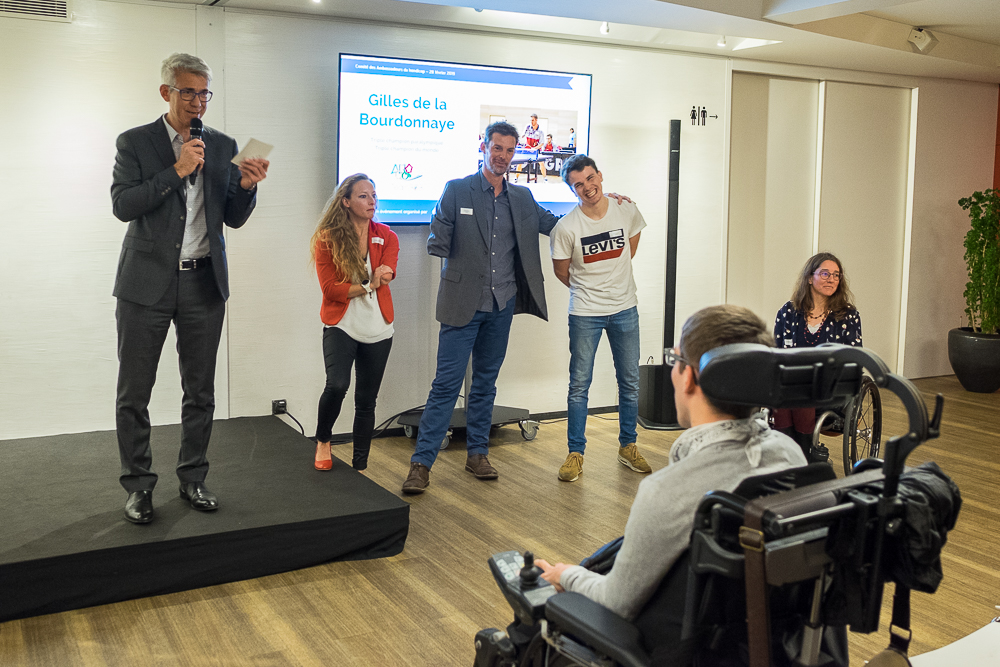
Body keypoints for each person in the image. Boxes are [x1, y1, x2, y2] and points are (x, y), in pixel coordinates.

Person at [536, 304, 807, 622]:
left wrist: (565, 575)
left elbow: (615, 602)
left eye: (675, 359)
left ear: (689, 376)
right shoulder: (791, 456)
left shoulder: (665, 493)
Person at [401, 122, 628, 495]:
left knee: (486, 384)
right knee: (445, 386)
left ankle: (477, 454)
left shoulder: (522, 198)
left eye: (509, 150)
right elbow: (436, 239)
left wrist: (600, 204)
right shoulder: (457, 190)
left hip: (501, 304)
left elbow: (558, 227)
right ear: (484, 148)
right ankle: (421, 465)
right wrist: (443, 235)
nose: (502, 155)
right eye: (497, 148)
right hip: (462, 305)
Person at [111, 53, 269, 524]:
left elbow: (233, 218)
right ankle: (139, 486)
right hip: (145, 285)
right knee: (134, 391)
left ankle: (193, 478)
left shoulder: (223, 145)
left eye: (204, 93)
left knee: (200, 391)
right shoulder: (135, 142)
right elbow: (123, 205)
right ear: (166, 92)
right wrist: (176, 170)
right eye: (188, 92)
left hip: (203, 281)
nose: (198, 103)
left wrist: (246, 186)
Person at [550, 155, 649, 483]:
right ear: (572, 189)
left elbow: (629, 251)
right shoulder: (565, 228)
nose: (587, 187)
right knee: (579, 385)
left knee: (630, 382)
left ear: (600, 176)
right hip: (585, 314)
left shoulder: (626, 210)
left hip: (625, 309)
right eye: (579, 184)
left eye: (591, 179)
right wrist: (592, 290)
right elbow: (563, 273)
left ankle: (628, 446)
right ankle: (575, 453)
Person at [311, 174, 398, 474]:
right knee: (337, 385)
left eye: (374, 195)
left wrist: (376, 281)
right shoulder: (327, 238)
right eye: (363, 196)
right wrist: (368, 286)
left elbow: (388, 272)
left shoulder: (387, 235)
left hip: (379, 328)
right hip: (342, 324)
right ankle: (323, 439)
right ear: (346, 202)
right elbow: (331, 290)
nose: (372, 201)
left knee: (366, 401)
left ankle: (360, 465)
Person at [773, 252, 862, 463]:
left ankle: (803, 458)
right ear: (809, 277)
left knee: (801, 393)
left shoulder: (848, 315)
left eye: (836, 275)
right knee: (780, 395)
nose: (831, 279)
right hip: (794, 383)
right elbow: (777, 353)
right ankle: (789, 457)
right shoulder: (788, 312)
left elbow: (854, 360)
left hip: (833, 389)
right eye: (825, 273)